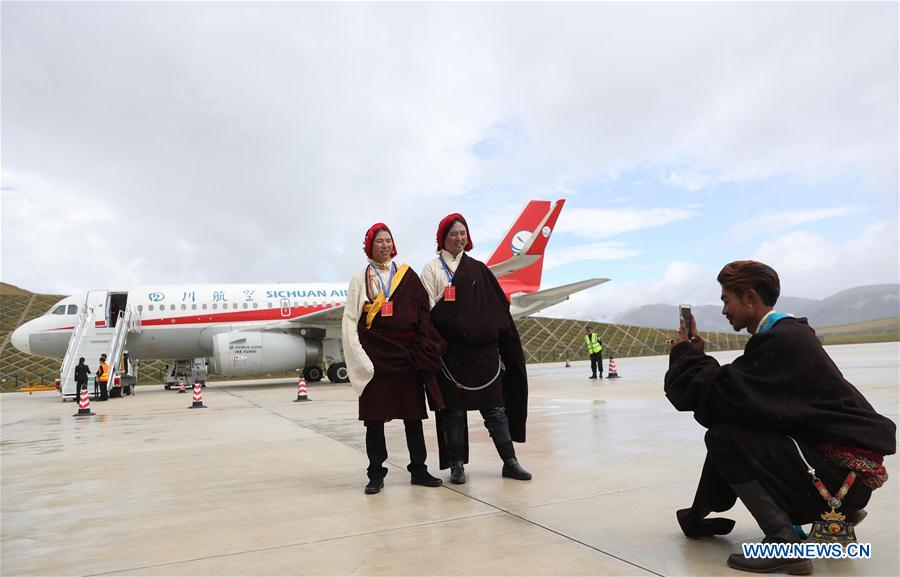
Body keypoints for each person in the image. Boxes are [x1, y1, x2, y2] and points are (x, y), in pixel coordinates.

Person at [664, 260, 895, 575]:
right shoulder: (785, 334)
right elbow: (740, 401)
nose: (723, 310)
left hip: (840, 482)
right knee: (735, 427)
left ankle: (783, 541)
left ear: (748, 297)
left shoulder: (784, 340)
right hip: (843, 478)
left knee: (722, 437)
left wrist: (684, 356)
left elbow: (720, 393)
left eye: (725, 299)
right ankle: (836, 516)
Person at [421, 213, 531, 485]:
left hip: (483, 355)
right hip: (452, 355)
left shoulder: (480, 269)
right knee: (453, 412)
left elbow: (497, 307)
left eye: (463, 233)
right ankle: (457, 465)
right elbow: (427, 312)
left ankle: (510, 461)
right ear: (442, 238)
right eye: (454, 234)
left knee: (495, 409)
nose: (459, 238)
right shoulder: (432, 270)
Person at [341, 223, 446, 495]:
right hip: (376, 358)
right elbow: (351, 321)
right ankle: (376, 473)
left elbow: (424, 311)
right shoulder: (359, 278)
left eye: (388, 240)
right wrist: (361, 360)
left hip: (406, 358)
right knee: (374, 419)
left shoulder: (407, 276)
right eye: (379, 242)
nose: (385, 246)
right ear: (369, 246)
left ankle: (419, 470)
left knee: (413, 417)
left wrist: (421, 347)